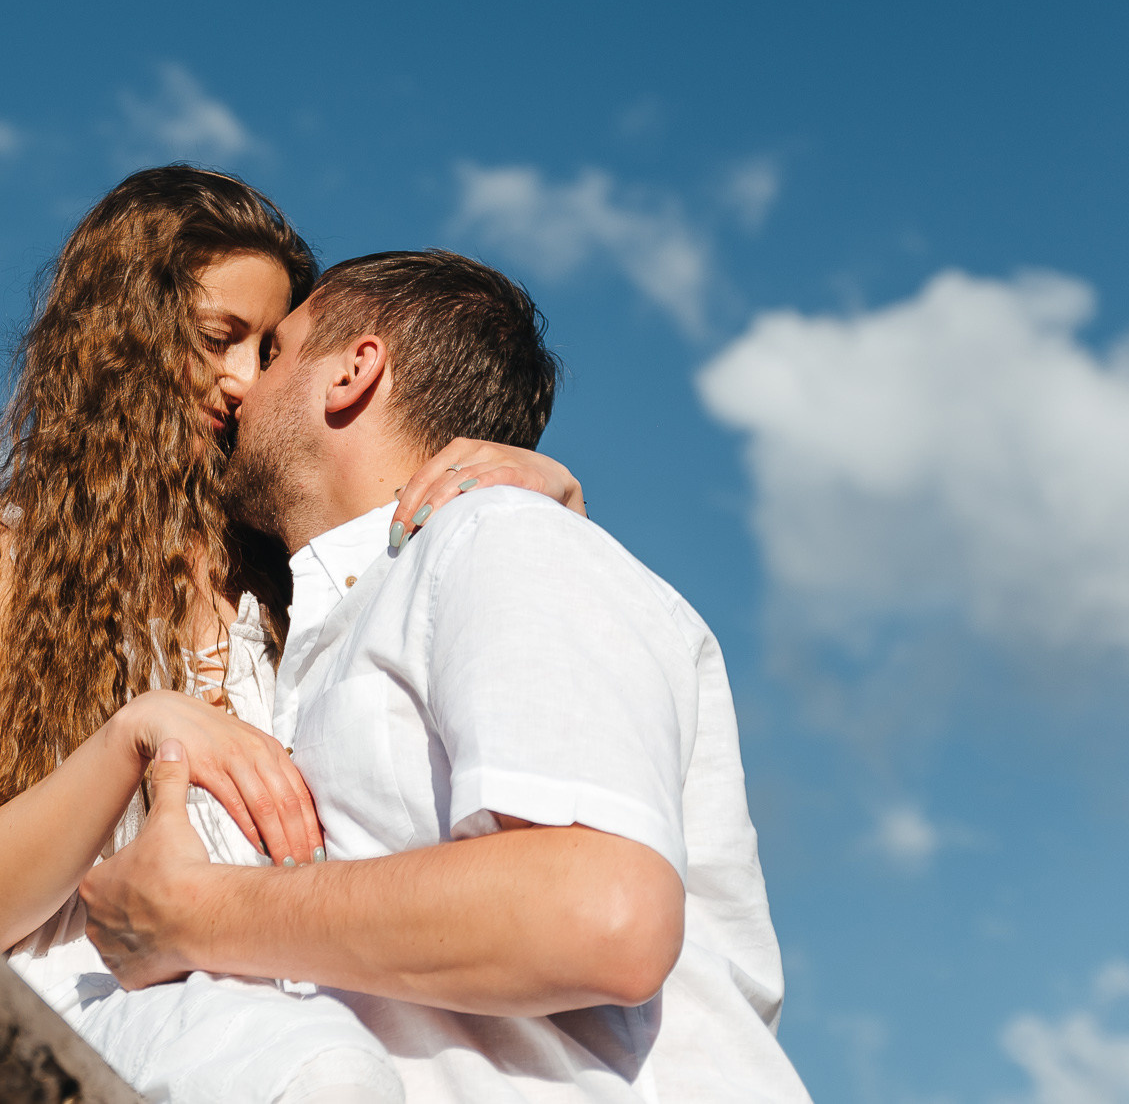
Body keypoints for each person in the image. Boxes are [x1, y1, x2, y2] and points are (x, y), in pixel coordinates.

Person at [0, 172, 588, 1104]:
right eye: (219, 338)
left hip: (318, 1020)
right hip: (80, 1030)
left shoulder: (287, 562)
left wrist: (543, 497)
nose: (245, 379)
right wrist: (138, 731)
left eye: (268, 347)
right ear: (118, 335)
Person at [79, 250, 812, 1104]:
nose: (240, 385)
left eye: (274, 351)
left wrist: (196, 912)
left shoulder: (499, 536)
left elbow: (604, 912)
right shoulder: (338, 632)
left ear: (356, 370)